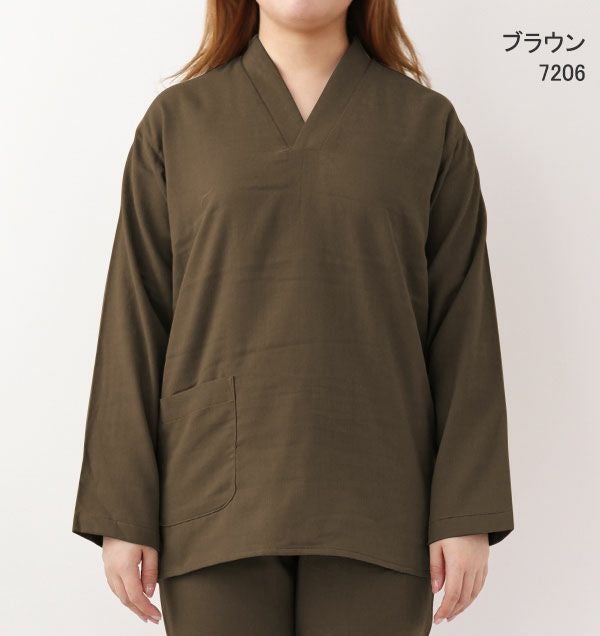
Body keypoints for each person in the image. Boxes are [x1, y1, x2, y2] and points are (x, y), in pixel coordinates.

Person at [71, 1, 514, 633]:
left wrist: (465, 510)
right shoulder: (176, 123)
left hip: (381, 498)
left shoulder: (425, 125)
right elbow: (135, 317)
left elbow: (464, 326)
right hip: (210, 500)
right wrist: (124, 509)